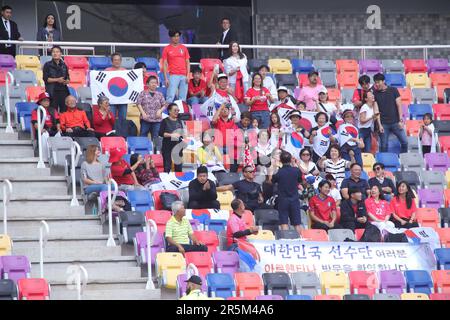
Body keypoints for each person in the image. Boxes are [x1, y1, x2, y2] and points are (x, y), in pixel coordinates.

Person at [373, 73, 408, 153]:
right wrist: (379, 125)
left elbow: (399, 105)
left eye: (378, 82)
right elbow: (376, 110)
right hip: (384, 123)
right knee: (384, 145)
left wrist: (401, 120)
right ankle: (384, 162)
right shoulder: (375, 93)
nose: (377, 84)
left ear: (383, 81)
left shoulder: (393, 90)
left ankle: (403, 157)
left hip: (395, 122)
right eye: (375, 82)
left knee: (405, 142)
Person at [269, 151, 303, 233]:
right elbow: (300, 181)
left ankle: (286, 240)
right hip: (294, 199)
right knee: (297, 223)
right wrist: (295, 164)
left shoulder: (279, 172)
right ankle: (299, 241)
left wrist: (272, 168)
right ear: (291, 159)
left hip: (283, 200)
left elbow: (271, 182)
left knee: (284, 222)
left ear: (280, 160)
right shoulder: (296, 170)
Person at [136, 75, 166, 152]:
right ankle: (142, 151)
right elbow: (138, 103)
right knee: (143, 135)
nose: (154, 84)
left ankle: (156, 152)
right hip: (145, 119)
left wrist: (160, 111)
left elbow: (165, 105)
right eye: (152, 82)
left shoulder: (160, 94)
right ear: (147, 84)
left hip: (157, 120)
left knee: (156, 137)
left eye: (155, 83)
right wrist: (143, 113)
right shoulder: (143, 93)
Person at [31, 92, 61, 161]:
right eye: (44, 100)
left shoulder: (53, 110)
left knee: (59, 135)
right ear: (40, 102)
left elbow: (57, 121)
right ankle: (45, 157)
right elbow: (35, 123)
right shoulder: (36, 111)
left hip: (53, 130)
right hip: (43, 130)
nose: (47, 102)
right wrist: (40, 129)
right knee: (45, 135)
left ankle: (57, 157)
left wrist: (58, 128)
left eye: (48, 100)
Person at [162, 30, 190, 103]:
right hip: (173, 75)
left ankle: (181, 113)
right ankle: (168, 113)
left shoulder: (184, 48)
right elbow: (164, 64)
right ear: (170, 37)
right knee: (170, 96)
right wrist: (166, 78)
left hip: (184, 75)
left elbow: (187, 62)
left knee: (183, 97)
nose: (176, 38)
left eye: (177, 36)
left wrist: (188, 75)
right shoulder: (166, 49)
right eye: (174, 36)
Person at [43, 45, 70, 113]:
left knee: (64, 111)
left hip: (63, 91)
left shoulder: (64, 65)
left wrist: (67, 81)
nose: (55, 53)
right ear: (51, 54)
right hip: (52, 91)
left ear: (60, 53)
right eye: (53, 52)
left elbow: (68, 78)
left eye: (57, 52)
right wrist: (57, 80)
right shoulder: (47, 65)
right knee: (53, 111)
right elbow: (46, 79)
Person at [159, 103, 185, 173]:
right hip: (167, 146)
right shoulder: (165, 121)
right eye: (175, 110)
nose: (177, 112)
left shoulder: (179, 121)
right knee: (167, 167)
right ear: (169, 111)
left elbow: (182, 133)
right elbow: (161, 133)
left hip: (178, 146)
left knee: (179, 167)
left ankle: (179, 181)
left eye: (178, 110)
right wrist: (171, 135)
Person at [104, 52, 128, 121]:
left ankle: (122, 131)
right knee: (111, 118)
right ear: (112, 61)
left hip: (123, 99)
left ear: (121, 61)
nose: (117, 61)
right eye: (115, 60)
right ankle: (113, 132)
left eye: (118, 60)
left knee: (123, 118)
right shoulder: (106, 71)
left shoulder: (125, 71)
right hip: (111, 99)